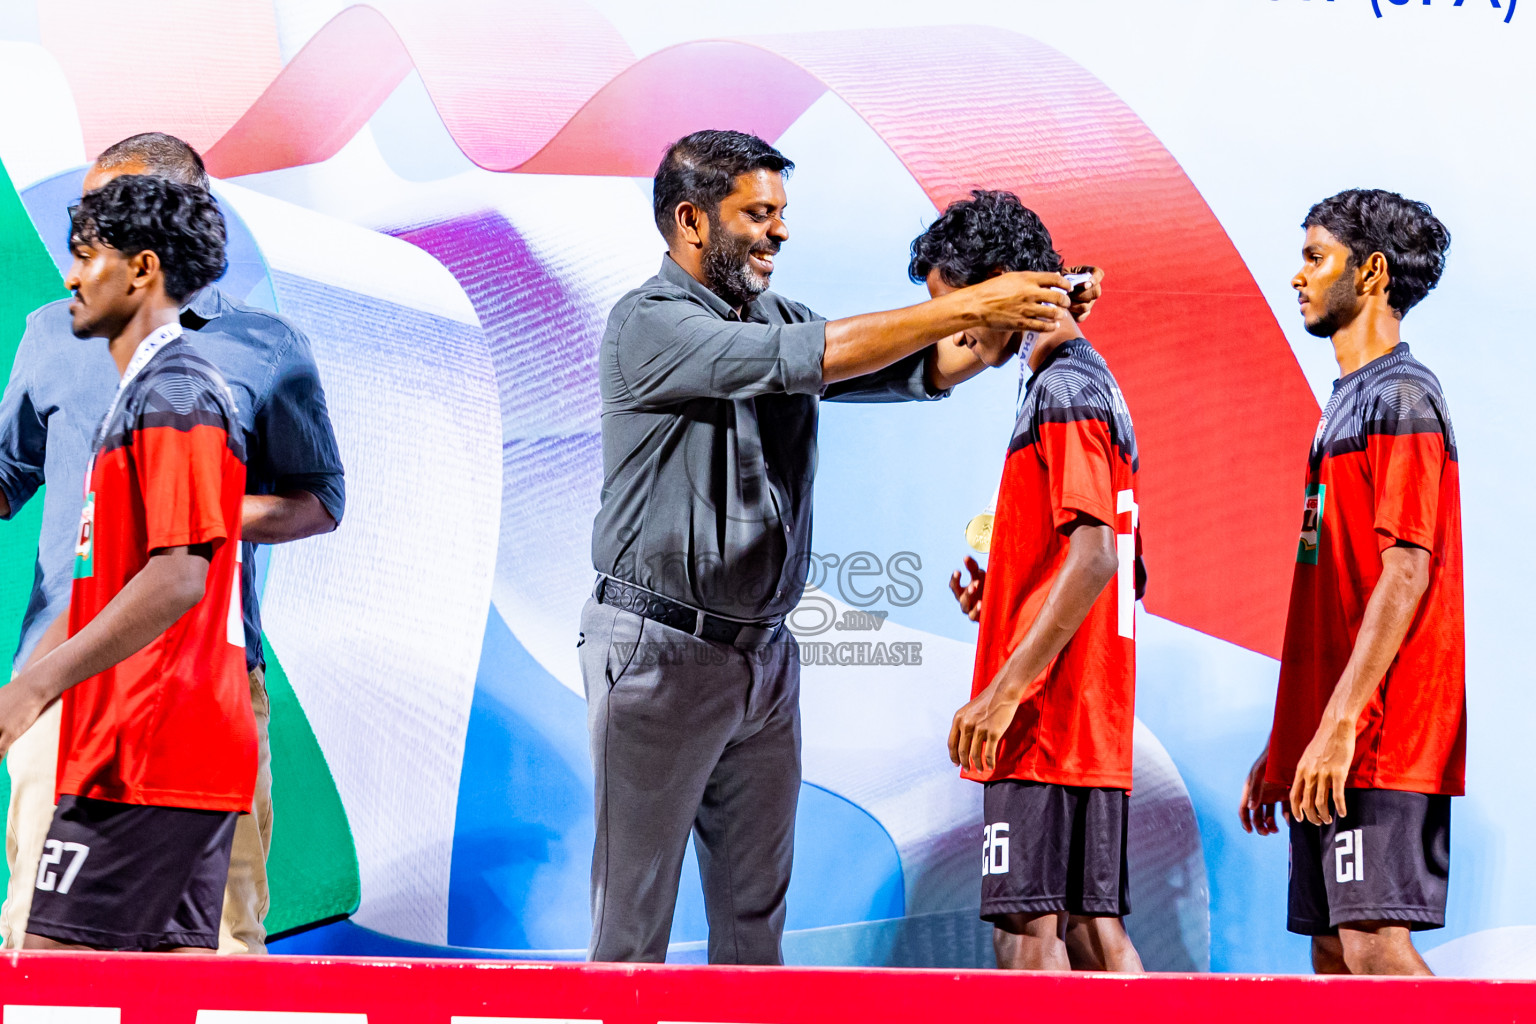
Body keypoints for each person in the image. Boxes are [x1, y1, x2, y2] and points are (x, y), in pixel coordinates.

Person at [583, 130, 1104, 965]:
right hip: (661, 654)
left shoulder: (780, 316)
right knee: (631, 934)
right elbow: (812, 356)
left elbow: (931, 363)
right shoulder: (648, 324)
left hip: (765, 660)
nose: (779, 232)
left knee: (756, 930)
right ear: (690, 220)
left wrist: (1037, 309)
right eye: (758, 214)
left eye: (782, 213)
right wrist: (974, 300)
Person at [0, 133, 345, 953]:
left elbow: (196, 564)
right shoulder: (56, 336)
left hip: (200, 692)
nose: (67, 261)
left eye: (95, 228)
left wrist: (191, 513)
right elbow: (23, 491)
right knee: (43, 950)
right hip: (70, 689)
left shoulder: (200, 380)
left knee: (213, 953)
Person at [0, 174, 250, 951]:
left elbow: (179, 577)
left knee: (51, 975)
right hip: (136, 743)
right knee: (155, 987)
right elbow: (103, 578)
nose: (71, 278)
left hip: (153, 751)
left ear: (141, 269)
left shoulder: (177, 392)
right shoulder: (142, 391)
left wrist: (37, 682)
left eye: (85, 257)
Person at [1238, 189, 1460, 976]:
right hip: (1332, 736)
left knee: (1373, 945)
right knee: (1333, 952)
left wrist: (1339, 725)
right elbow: (1331, 592)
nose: (1296, 277)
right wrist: (1289, 738)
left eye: (1313, 257)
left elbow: (1406, 570)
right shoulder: (1346, 404)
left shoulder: (1403, 396)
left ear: (1369, 273)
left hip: (1379, 736)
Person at [931, 191, 1143, 972]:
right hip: (1084, 711)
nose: (949, 329)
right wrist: (1009, 593)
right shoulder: (1085, 381)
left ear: (999, 288)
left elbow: (1097, 558)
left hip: (1047, 722)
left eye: (952, 306)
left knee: (1026, 940)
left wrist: (1002, 690)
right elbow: (1114, 563)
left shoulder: (1062, 390)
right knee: (1093, 936)